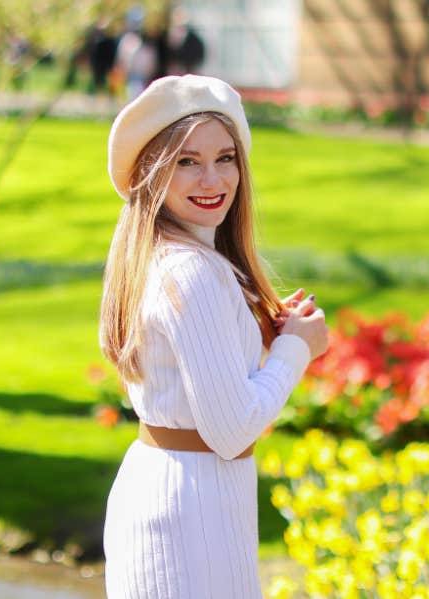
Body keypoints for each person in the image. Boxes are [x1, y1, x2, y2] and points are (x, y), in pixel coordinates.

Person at [99, 75, 329, 598]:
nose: (212, 179)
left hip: (181, 497)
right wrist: (298, 347)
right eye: (187, 161)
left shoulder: (171, 258)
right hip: (190, 513)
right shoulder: (193, 272)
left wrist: (263, 336)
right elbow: (231, 430)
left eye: (226, 158)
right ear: (153, 173)